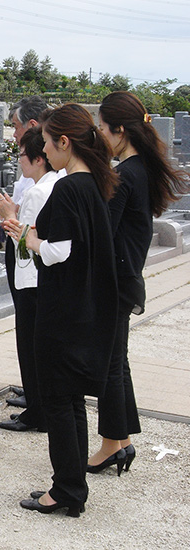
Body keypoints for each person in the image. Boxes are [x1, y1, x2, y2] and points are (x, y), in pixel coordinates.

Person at [5, 103, 119, 517]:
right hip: (83, 308)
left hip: (62, 310)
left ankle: (66, 489)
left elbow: (59, 252)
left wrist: (29, 241)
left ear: (65, 143)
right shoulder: (93, 184)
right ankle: (71, 485)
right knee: (70, 401)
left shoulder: (69, 187)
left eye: (49, 144)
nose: (45, 151)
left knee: (58, 400)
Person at [88, 91, 190, 473]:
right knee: (116, 361)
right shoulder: (139, 169)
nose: (99, 134)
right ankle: (121, 440)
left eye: (101, 127)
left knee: (108, 364)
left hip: (115, 277)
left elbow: (104, 233)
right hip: (127, 274)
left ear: (119, 129)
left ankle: (110, 444)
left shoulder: (125, 174)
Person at [0, 127, 60, 433]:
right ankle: (43, 407)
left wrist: (7, 216)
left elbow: (25, 244)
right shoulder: (57, 183)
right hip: (46, 279)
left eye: (21, 155)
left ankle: (38, 412)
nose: (19, 161)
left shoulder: (37, 192)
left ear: (38, 159)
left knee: (30, 347)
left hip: (31, 279)